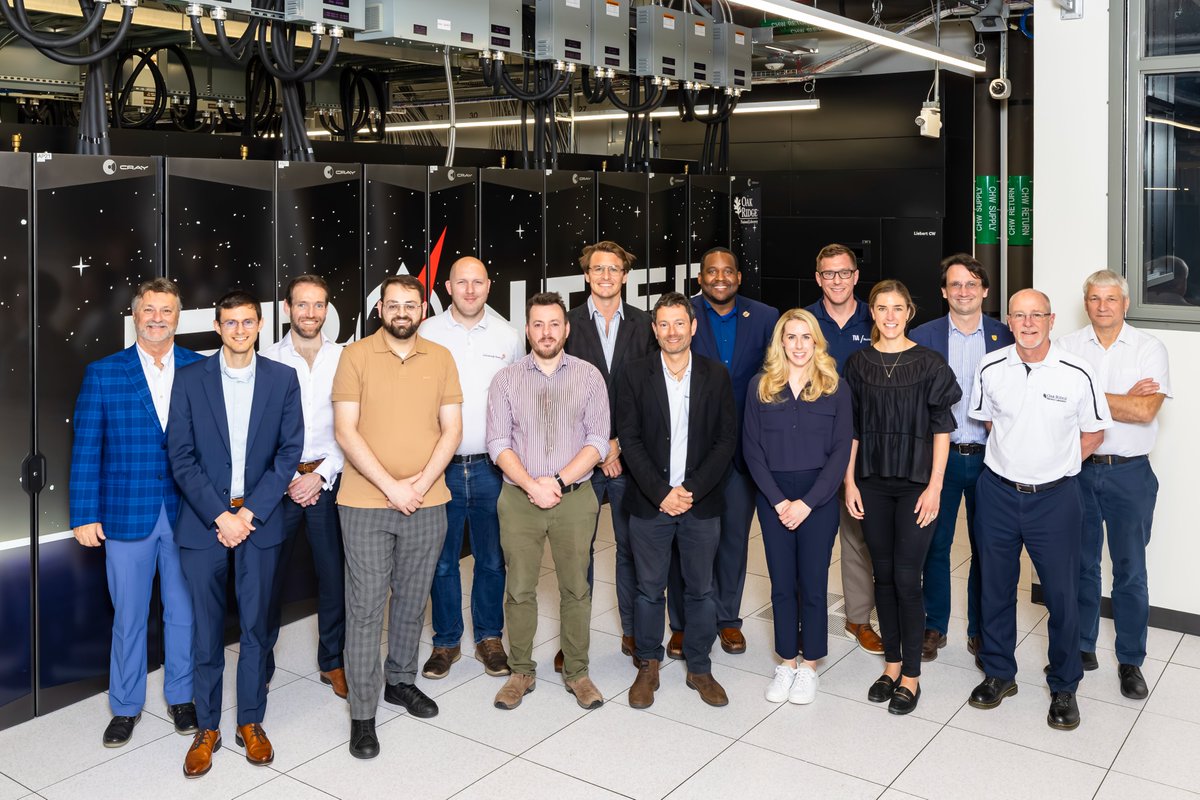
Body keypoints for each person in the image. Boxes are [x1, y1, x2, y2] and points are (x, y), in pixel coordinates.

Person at [168, 290, 303, 777]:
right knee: (206, 629)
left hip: (260, 521)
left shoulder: (282, 379)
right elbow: (180, 456)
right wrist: (219, 515)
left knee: (256, 629)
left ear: (261, 325)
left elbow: (289, 453)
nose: (240, 330)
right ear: (218, 327)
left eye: (248, 322)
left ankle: (250, 721)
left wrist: (248, 515)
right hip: (205, 523)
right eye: (231, 322)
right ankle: (208, 727)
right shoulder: (189, 380)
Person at [967, 289, 1111, 731]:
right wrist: (1019, 459)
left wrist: (1056, 464)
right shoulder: (990, 366)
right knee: (994, 585)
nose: (1028, 323)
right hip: (997, 492)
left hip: (1056, 499)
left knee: (1062, 594)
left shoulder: (1077, 371)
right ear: (1008, 321)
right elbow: (991, 422)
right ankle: (998, 673)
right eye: (1019, 315)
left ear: (1051, 321)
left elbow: (1093, 433)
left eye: (1037, 315)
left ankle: (1064, 685)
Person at [332, 274, 463, 759]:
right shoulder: (355, 356)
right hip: (366, 503)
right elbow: (346, 431)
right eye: (394, 304)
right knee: (365, 609)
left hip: (428, 503)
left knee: (411, 602)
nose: (402, 312)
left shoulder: (442, 358)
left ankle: (400, 682)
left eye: (411, 304)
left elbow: (452, 430)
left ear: (423, 311)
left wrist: (420, 485)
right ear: (380, 309)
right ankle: (363, 714)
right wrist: (392, 487)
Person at [69, 278, 202, 748]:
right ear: (135, 314)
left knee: (183, 612)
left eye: (167, 310)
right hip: (126, 513)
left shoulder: (199, 368)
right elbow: (86, 449)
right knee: (128, 615)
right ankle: (125, 706)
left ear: (178, 317)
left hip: (188, 514)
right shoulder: (104, 373)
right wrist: (84, 513)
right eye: (149, 310)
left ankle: (183, 696)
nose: (157, 318)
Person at [486, 292, 610, 711]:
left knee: (576, 588)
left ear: (567, 328)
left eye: (554, 324)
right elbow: (498, 442)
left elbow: (597, 442)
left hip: (575, 498)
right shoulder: (506, 379)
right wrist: (532, 484)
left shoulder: (590, 376)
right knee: (519, 589)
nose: (546, 332)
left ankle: (577, 672)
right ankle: (521, 671)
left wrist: (555, 480)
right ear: (527, 330)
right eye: (537, 324)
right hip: (519, 498)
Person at [843, 280, 960, 716]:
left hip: (916, 484)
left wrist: (936, 485)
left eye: (897, 308)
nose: (889, 316)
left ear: (908, 311)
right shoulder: (857, 364)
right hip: (871, 482)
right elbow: (851, 429)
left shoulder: (929, 363)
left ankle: (911, 674)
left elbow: (942, 430)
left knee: (909, 579)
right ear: (871, 313)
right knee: (883, 577)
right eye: (881, 308)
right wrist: (850, 481)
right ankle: (890, 664)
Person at [616, 293, 737, 709]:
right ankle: (647, 665)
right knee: (649, 590)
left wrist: (691, 490)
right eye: (663, 324)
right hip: (651, 503)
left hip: (699, 503)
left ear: (693, 326)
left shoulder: (715, 375)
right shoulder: (633, 374)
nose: (672, 332)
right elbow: (628, 440)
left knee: (701, 590)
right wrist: (662, 493)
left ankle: (700, 667)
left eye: (679, 323)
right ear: (654, 330)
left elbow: (726, 441)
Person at [1060, 270, 1170, 699]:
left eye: (1111, 298)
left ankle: (1130, 661)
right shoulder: (1067, 347)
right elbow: (1059, 409)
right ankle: (1083, 647)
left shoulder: (1149, 348)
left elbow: (1144, 412)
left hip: (1131, 474)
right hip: (1080, 471)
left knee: (1130, 571)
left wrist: (1088, 394)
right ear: (1085, 303)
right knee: (1080, 566)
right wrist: (1119, 396)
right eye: (1094, 298)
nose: (1102, 306)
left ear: (1125, 303)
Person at [418, 257, 523, 680]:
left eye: (477, 282)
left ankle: (489, 638)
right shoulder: (426, 333)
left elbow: (519, 401)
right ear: (447, 286)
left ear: (489, 286)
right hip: (438, 468)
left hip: (491, 468)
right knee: (441, 561)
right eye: (461, 282)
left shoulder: (508, 336)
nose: (469, 289)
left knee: (492, 558)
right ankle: (445, 641)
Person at [743, 308, 853, 705]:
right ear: (780, 343)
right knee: (781, 582)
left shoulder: (835, 388)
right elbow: (752, 450)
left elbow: (842, 450)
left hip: (818, 497)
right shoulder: (761, 387)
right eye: (791, 337)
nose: (799, 345)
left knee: (812, 581)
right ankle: (787, 661)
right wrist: (778, 501)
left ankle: (810, 666)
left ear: (816, 341)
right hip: (773, 495)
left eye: (806, 337)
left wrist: (807, 503)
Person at [672, 246, 777, 658]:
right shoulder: (683, 314)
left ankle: (727, 619)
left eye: (728, 271)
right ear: (700, 279)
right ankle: (680, 624)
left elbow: (775, 378)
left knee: (733, 538)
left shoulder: (766, 317)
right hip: (693, 450)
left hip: (745, 452)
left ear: (738, 277)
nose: (720, 278)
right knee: (687, 539)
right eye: (711, 272)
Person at [909, 254, 1014, 664]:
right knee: (935, 545)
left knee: (988, 548)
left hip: (993, 460)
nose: (964, 291)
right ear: (943, 292)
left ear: (985, 291)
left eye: (972, 284)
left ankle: (980, 628)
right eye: (955, 284)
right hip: (941, 460)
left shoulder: (1006, 336)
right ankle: (935, 625)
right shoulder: (923, 336)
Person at [565, 241, 656, 671]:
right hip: (579, 458)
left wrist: (618, 443)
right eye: (597, 269)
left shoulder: (644, 323)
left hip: (628, 457)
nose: (605, 276)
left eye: (613, 269)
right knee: (575, 552)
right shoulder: (564, 324)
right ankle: (573, 639)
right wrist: (598, 447)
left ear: (624, 276)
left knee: (631, 549)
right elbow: (558, 395)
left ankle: (635, 631)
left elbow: (650, 391)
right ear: (586, 275)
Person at [260, 274, 347, 699]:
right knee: (266, 578)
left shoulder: (346, 358)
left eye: (318, 305)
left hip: (329, 481)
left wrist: (320, 475)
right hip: (279, 483)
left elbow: (354, 427)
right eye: (301, 305)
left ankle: (333, 661)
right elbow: (257, 431)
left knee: (334, 576)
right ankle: (260, 665)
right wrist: (293, 477)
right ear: (286, 308)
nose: (310, 313)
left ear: (327, 308)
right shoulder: (266, 359)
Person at [805, 244, 882, 656]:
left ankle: (858, 618)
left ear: (856, 277)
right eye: (828, 274)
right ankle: (808, 615)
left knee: (857, 535)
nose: (836, 280)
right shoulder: (803, 321)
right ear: (818, 278)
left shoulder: (876, 317)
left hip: (864, 444)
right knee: (812, 536)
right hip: (812, 445)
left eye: (844, 273)